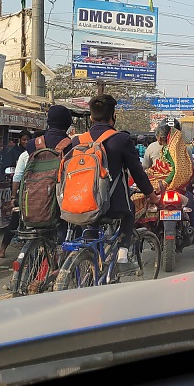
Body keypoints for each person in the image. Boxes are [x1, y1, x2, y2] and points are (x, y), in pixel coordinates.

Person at [69, 95, 160, 274]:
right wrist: (153, 197)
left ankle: (88, 262)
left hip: (79, 203)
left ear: (91, 117)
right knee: (129, 212)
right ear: (113, 116)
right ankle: (123, 256)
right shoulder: (120, 140)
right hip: (112, 206)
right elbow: (138, 173)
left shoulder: (77, 141)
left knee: (91, 226)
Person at [0, 106, 75, 258]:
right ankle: (61, 264)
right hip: (58, 203)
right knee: (67, 229)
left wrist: (14, 197)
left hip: (33, 199)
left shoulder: (32, 145)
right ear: (68, 123)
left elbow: (20, 175)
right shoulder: (71, 145)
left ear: (48, 122)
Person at [152, 119, 194, 258]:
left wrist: (160, 181)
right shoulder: (183, 149)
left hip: (161, 189)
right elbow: (191, 171)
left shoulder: (156, 148)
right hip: (179, 190)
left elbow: (147, 167)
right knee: (193, 213)